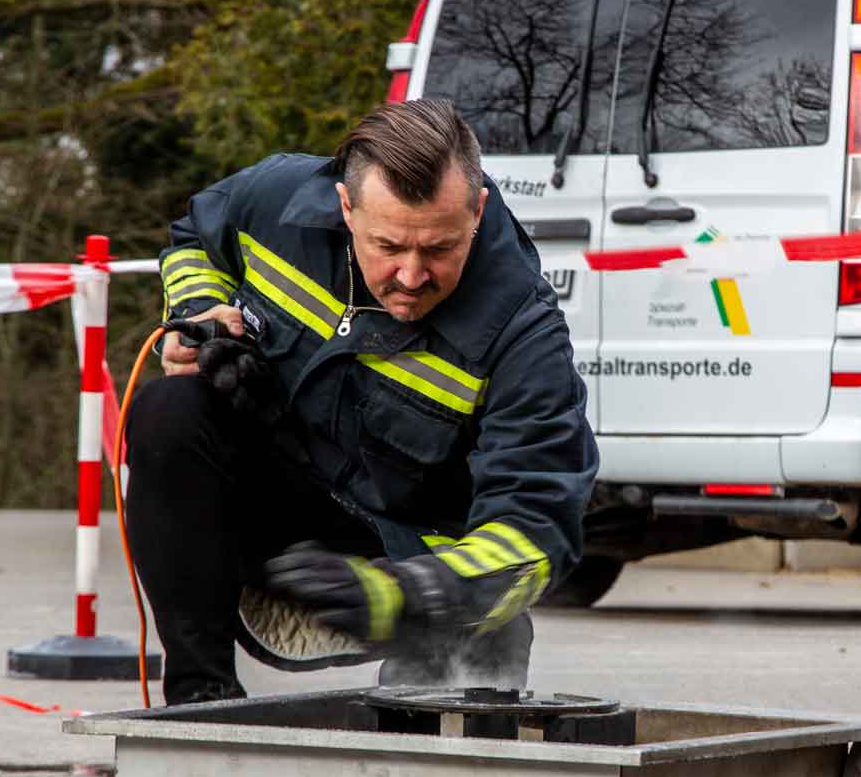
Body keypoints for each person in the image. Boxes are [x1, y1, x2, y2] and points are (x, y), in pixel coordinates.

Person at [124, 98, 599, 704]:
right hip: (284, 510)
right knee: (169, 412)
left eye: (439, 250)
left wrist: (409, 596)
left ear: (477, 212)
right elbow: (194, 239)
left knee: (461, 682)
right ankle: (200, 698)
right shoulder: (277, 199)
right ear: (345, 207)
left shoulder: (523, 333)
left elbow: (537, 531)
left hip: (417, 566)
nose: (410, 276)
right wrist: (200, 315)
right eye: (389, 246)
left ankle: (442, 668)